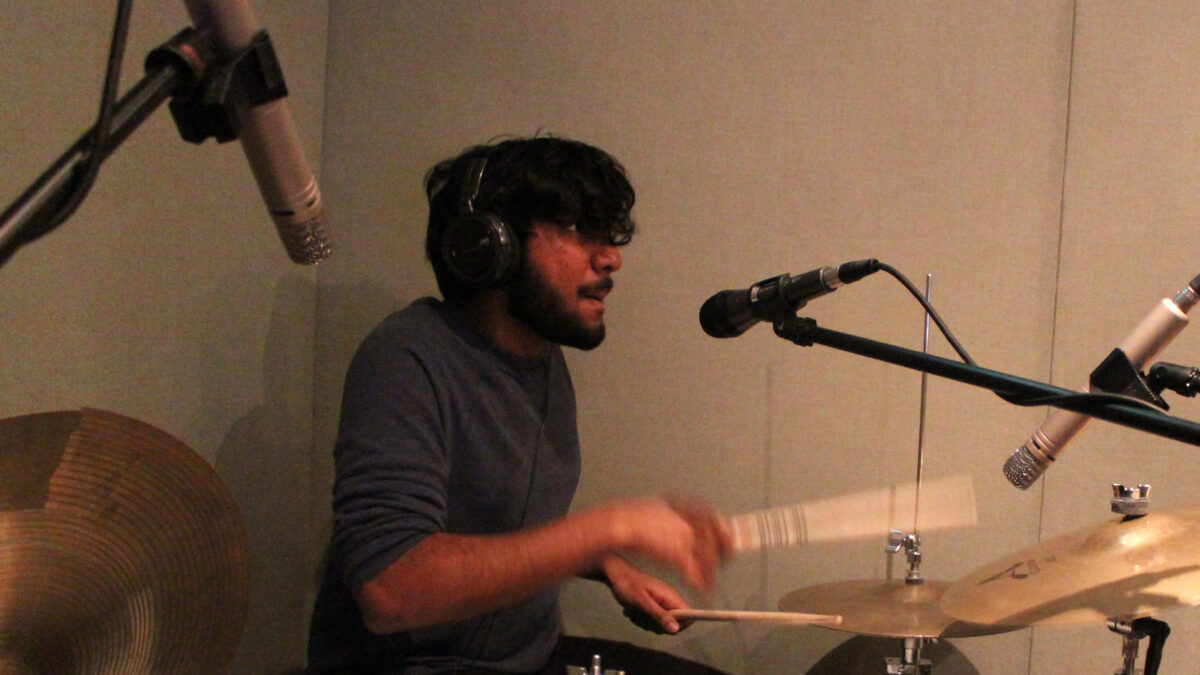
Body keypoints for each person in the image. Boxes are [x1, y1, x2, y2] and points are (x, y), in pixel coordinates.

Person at [307, 136, 733, 674]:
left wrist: (607, 564)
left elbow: (499, 520)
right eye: (580, 230)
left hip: (531, 659)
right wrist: (609, 527)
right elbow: (391, 589)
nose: (612, 257)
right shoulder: (406, 358)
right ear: (490, 245)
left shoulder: (542, 358)